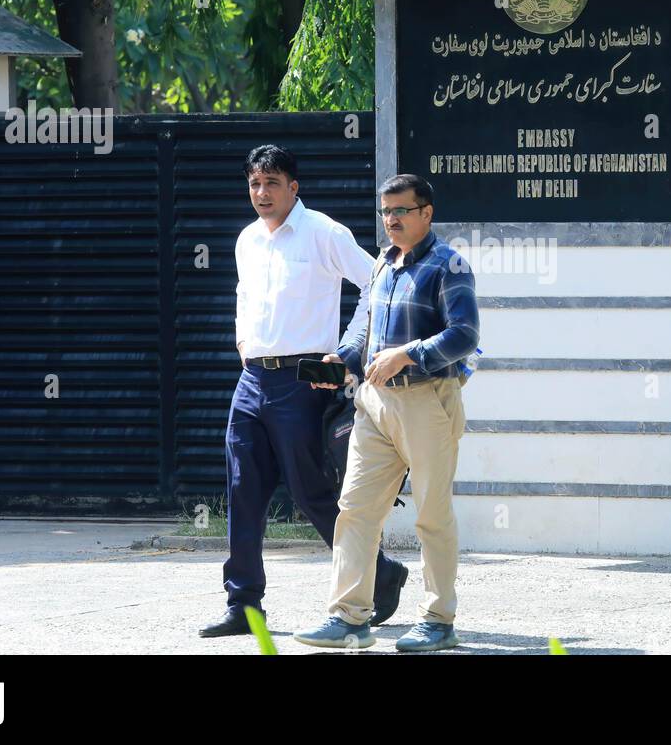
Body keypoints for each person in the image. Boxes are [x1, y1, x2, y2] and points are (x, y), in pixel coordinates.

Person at [199, 145, 408, 638]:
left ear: (294, 187)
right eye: (254, 183)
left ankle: (378, 574)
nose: (262, 193)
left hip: (304, 380)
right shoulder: (247, 240)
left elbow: (376, 284)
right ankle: (244, 604)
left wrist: (346, 350)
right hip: (251, 379)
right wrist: (242, 339)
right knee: (242, 489)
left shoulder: (324, 232)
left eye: (272, 183)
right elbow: (244, 295)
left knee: (311, 492)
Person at [293, 174, 479, 652]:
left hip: (426, 400)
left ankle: (438, 620)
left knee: (432, 515)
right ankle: (349, 617)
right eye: (385, 211)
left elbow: (464, 335)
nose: (391, 220)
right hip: (373, 404)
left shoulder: (449, 265)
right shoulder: (383, 263)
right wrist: (342, 359)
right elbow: (369, 334)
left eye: (401, 210)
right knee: (355, 509)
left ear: (427, 213)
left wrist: (409, 353)